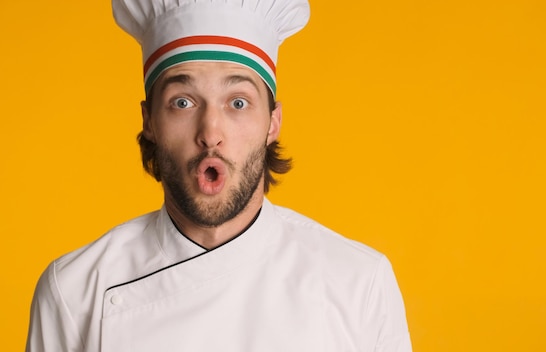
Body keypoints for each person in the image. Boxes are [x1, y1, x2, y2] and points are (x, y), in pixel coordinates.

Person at [26, 0, 412, 351]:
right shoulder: (73, 293)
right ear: (149, 121)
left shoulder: (360, 283)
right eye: (182, 102)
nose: (210, 133)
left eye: (238, 103)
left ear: (272, 122)